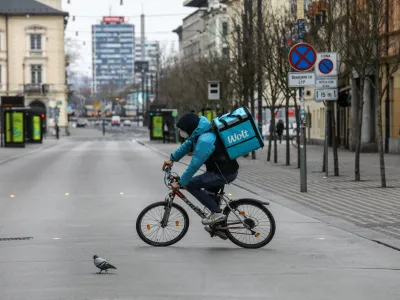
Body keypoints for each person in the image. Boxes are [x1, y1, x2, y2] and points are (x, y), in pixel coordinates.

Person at [161, 112, 239, 234]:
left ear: (189, 128)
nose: (181, 132)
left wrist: (181, 182)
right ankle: (219, 226)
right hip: (219, 171)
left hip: (223, 173)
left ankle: (217, 214)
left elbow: (194, 165)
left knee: (190, 184)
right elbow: (187, 146)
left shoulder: (205, 140)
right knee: (208, 195)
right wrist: (172, 158)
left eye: (182, 130)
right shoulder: (199, 132)